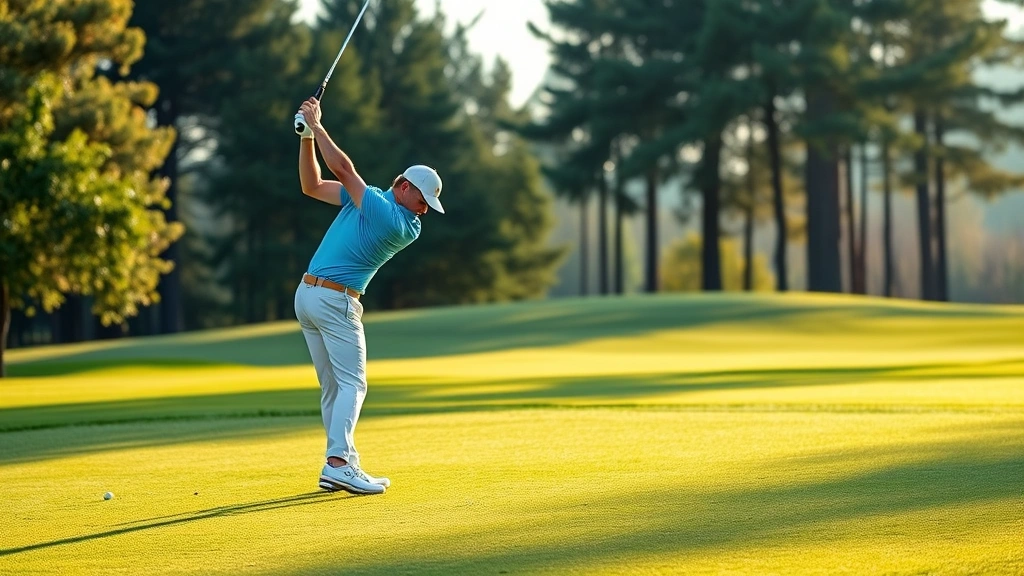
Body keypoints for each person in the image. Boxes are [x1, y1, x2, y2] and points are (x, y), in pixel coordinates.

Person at [292, 97, 444, 495]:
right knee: (351, 384)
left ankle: (341, 461)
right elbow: (311, 186)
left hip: (308, 297)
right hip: (331, 302)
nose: (424, 211)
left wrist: (316, 125)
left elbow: (342, 169)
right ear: (404, 186)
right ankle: (339, 463)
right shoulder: (373, 201)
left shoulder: (398, 221)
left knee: (337, 386)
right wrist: (307, 136)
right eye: (422, 201)